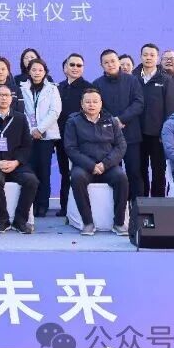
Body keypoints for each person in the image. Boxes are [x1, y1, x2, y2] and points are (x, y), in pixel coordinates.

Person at [64, 87, 128, 236]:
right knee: (77, 178)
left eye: (95, 101)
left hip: (108, 166)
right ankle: (87, 222)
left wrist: (105, 164)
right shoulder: (73, 122)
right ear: (82, 104)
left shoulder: (111, 121)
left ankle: (119, 223)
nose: (91, 105)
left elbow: (121, 146)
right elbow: (71, 148)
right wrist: (91, 165)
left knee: (122, 178)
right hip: (84, 167)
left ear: (101, 103)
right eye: (88, 102)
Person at [0, 85, 38, 233]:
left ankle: (20, 221)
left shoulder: (20, 118)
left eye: (7, 95)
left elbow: (27, 146)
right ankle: (3, 220)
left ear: (11, 99)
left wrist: (16, 162)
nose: (4, 98)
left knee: (32, 181)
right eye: (0, 95)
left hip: (16, 164)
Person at [93, 50, 144, 200]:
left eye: (113, 61)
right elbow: (97, 108)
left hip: (131, 134)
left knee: (134, 172)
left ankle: (136, 206)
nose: (110, 64)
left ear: (118, 62)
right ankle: (118, 205)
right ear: (101, 65)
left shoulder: (132, 80)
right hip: (108, 137)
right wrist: (113, 121)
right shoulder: (97, 84)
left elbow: (138, 103)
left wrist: (121, 119)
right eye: (106, 62)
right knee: (114, 173)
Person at [134, 43, 174, 198]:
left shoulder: (166, 80)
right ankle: (141, 203)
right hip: (137, 134)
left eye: (152, 55)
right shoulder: (133, 78)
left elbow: (171, 109)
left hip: (158, 135)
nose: (148, 58)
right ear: (141, 57)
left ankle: (158, 204)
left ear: (157, 58)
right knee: (139, 170)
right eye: (145, 54)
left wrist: (165, 133)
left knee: (159, 171)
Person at [20, 58, 62, 217]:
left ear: (45, 72)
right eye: (34, 70)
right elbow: (21, 111)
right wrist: (32, 130)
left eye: (40, 70)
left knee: (44, 171)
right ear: (28, 72)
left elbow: (55, 111)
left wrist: (40, 129)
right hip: (28, 136)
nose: (37, 73)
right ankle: (31, 203)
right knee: (30, 170)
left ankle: (43, 204)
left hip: (46, 136)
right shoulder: (22, 88)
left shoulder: (52, 89)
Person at [55, 54, 90, 218]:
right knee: (64, 172)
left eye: (79, 65)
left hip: (82, 139)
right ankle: (65, 207)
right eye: (72, 65)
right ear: (65, 68)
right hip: (61, 137)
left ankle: (79, 208)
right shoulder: (57, 88)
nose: (75, 68)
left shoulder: (88, 88)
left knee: (79, 172)